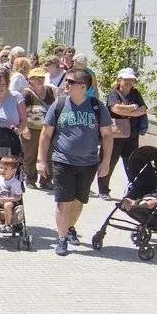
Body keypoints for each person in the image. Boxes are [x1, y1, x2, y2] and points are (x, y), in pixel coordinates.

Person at [37, 69, 113, 256]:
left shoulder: (97, 106)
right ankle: (61, 239)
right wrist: (41, 160)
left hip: (88, 163)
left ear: (82, 87)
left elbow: (107, 136)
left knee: (79, 201)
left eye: (70, 82)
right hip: (62, 160)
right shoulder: (60, 104)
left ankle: (69, 227)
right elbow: (46, 135)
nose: (66, 84)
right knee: (64, 202)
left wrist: (106, 162)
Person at [97, 68, 147, 199]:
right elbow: (115, 109)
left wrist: (127, 110)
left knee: (132, 162)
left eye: (132, 80)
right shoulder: (114, 93)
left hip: (132, 134)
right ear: (119, 80)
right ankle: (103, 190)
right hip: (115, 135)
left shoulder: (136, 93)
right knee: (108, 160)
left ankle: (134, 190)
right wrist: (132, 108)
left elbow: (143, 110)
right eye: (126, 80)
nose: (129, 82)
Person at [21, 67, 57, 188]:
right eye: (36, 78)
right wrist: (24, 127)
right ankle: (30, 179)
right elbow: (21, 112)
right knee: (30, 154)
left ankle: (46, 180)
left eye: (42, 77)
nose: (40, 80)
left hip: (48, 128)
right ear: (30, 80)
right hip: (31, 128)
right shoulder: (26, 93)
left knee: (49, 154)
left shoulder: (50, 91)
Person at [0, 156, 24, 230]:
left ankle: (8, 224)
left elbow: (19, 197)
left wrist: (8, 199)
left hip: (11, 201)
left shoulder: (16, 183)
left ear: (13, 171)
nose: (2, 170)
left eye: (5, 169)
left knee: (7, 205)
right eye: (1, 168)